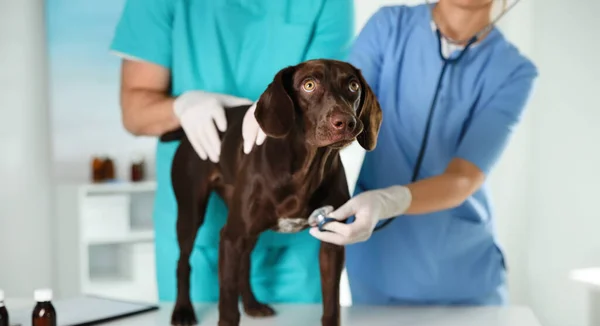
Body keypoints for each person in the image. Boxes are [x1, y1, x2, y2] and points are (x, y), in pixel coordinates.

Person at [247, 0, 538, 306]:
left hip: (463, 277)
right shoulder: (391, 25)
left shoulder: (515, 71)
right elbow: (340, 103)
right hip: (376, 268)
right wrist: (278, 106)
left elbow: (464, 177)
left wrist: (390, 200)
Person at [109, 0, 354, 304]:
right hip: (202, 230)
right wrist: (180, 107)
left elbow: (328, 102)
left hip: (295, 234)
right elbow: (135, 111)